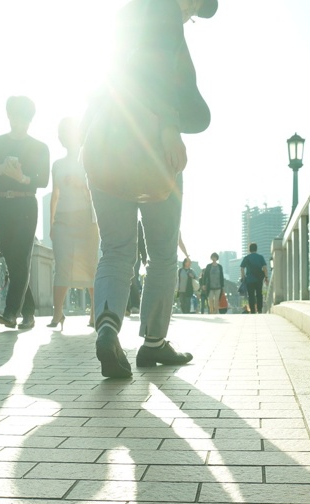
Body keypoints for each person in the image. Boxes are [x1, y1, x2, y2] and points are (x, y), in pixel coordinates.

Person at [87, 0, 219, 378]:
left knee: (115, 250)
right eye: (194, 4)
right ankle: (154, 344)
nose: (190, 13)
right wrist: (168, 127)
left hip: (104, 147)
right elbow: (157, 70)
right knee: (162, 255)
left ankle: (108, 327)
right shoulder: (162, 12)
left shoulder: (123, 14)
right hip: (154, 151)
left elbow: (108, 81)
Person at [0, 96, 50, 331]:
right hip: (0, 205)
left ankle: (11, 313)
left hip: (26, 206)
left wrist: (22, 178)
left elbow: (43, 180)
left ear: (31, 119)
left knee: (20, 258)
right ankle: (28, 312)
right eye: (14, 115)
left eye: (23, 117)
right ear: (8, 115)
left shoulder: (40, 147)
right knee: (14, 262)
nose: (18, 121)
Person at [49, 117, 99, 330]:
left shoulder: (90, 161)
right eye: (64, 135)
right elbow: (55, 194)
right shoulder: (57, 165)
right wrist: (51, 224)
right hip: (62, 221)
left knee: (90, 267)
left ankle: (94, 313)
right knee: (62, 265)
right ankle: (57, 313)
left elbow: (99, 191)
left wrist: (82, 184)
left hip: (86, 221)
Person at [240, 242, 268, 314]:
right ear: (256, 249)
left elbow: (242, 268)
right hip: (259, 279)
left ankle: (252, 311)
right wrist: (266, 277)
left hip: (249, 280)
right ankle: (259, 310)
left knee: (251, 295)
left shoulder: (246, 258)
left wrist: (243, 277)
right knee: (259, 294)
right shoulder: (260, 257)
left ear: (249, 250)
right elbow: (265, 267)